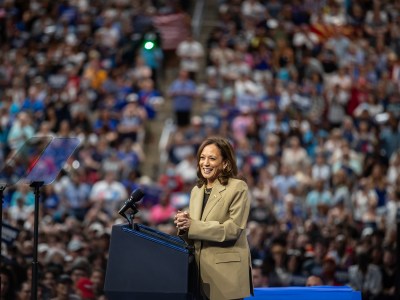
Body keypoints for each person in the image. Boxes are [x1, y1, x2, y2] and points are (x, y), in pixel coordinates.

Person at [174, 136, 253, 300]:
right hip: (198, 277)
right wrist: (183, 227)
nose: (205, 163)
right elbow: (194, 233)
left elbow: (233, 230)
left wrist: (193, 225)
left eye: (212, 158)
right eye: (202, 158)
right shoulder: (197, 190)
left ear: (225, 163)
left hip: (225, 277)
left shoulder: (237, 187)